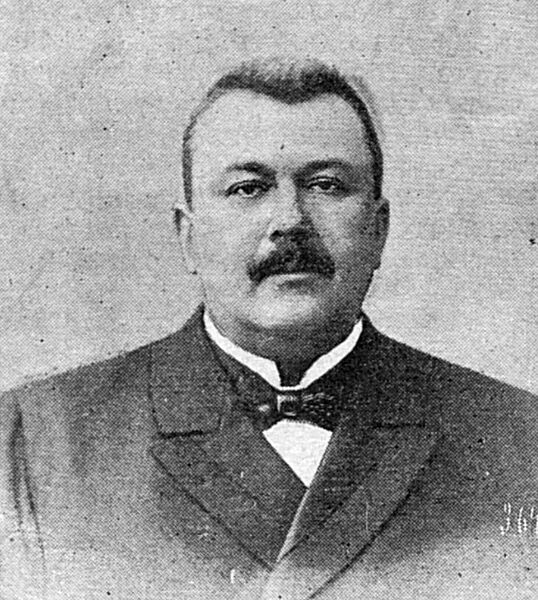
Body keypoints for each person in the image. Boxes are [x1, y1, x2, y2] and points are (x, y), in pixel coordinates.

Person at [1, 57, 537, 600]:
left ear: (378, 231)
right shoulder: (33, 442)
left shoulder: (517, 441)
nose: (291, 220)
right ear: (188, 237)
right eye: (248, 188)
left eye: (326, 185)